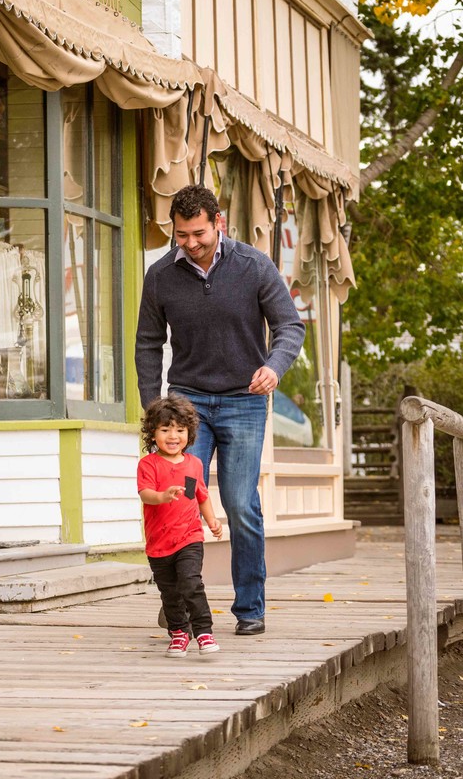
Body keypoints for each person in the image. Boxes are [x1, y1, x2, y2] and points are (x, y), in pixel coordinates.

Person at [135, 184, 304, 637]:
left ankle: (249, 607)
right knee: (179, 499)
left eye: (198, 233)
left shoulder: (253, 266)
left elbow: (290, 325)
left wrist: (274, 367)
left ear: (219, 224)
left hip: (244, 401)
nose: (190, 243)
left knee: (239, 503)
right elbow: (148, 344)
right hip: (187, 405)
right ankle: (179, 604)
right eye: (181, 235)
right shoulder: (160, 276)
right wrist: (154, 408)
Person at [138, 395, 224, 658]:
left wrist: (211, 520)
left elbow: (199, 495)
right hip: (159, 543)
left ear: (189, 433)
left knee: (191, 583)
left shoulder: (194, 464)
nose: (172, 436)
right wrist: (162, 496)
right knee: (170, 592)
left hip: (189, 537)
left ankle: (204, 632)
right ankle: (178, 633)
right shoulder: (148, 464)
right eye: (165, 429)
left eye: (179, 429)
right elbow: (145, 494)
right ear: (153, 434)